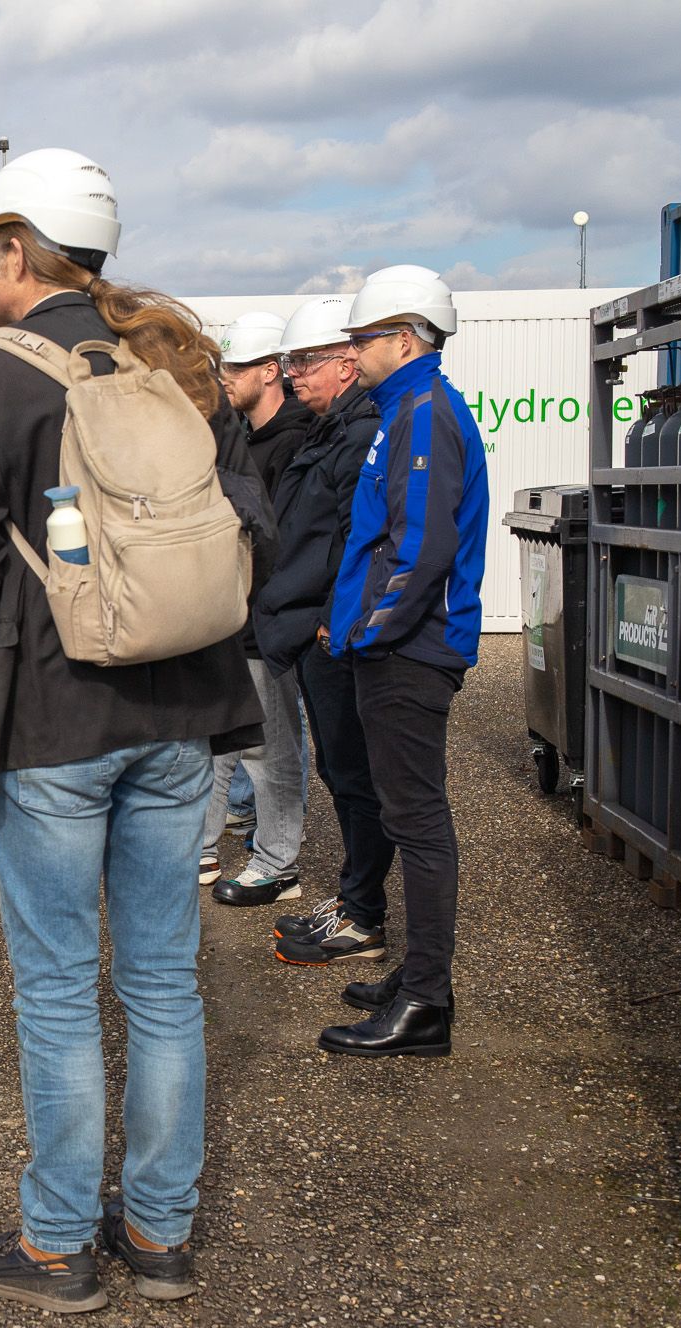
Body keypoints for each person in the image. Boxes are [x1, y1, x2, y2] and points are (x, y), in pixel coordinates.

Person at [0, 149, 274, 1313]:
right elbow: (246, 524)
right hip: (182, 713)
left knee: (61, 986)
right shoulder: (169, 359)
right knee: (167, 983)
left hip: (54, 719)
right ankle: (160, 1236)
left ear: (17, 248)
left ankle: (56, 1247)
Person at [315, 266, 487, 1058]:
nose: (354, 351)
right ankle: (420, 980)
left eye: (364, 338)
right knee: (403, 813)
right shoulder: (406, 409)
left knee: (417, 822)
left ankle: (424, 1003)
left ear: (407, 338)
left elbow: (421, 549)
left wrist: (365, 631)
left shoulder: (423, 413)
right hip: (399, 646)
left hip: (408, 652)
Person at [253, 296, 394, 968]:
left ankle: (365, 917)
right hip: (316, 633)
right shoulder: (326, 428)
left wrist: (324, 625)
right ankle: (355, 900)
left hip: (332, 639)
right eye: (289, 362)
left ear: (345, 363)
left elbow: (352, 544)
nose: (294, 373)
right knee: (340, 772)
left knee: (356, 775)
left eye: (305, 361)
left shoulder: (362, 432)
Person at [197, 312, 314, 901]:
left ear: (270, 371)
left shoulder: (294, 442)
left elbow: (282, 540)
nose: (225, 378)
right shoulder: (243, 438)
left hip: (265, 620)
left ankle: (279, 862)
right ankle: (203, 848)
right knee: (218, 740)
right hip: (229, 617)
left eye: (235, 367)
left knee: (271, 748)